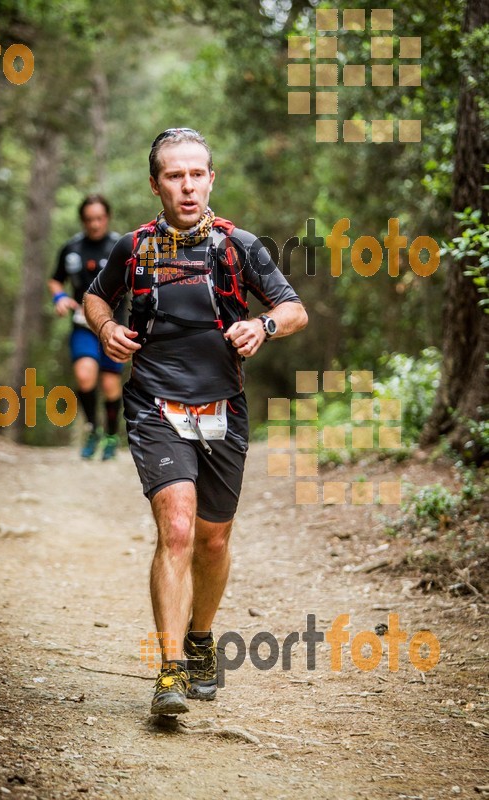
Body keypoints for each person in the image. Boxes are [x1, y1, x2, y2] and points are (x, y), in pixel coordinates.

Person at [83, 128, 308, 715]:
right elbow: (96, 297)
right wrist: (106, 329)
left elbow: (293, 308)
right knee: (177, 530)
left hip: (223, 408)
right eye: (174, 175)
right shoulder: (131, 249)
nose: (187, 185)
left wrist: (264, 327)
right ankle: (170, 670)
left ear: (211, 178)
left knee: (212, 539)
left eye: (197, 174)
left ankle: (201, 638)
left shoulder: (240, 247)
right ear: (156, 183)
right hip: (155, 404)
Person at [49, 195, 125, 460]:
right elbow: (56, 280)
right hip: (82, 324)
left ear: (107, 218)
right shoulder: (71, 248)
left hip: (115, 326)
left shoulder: (120, 246)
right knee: (84, 376)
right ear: (83, 220)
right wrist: (59, 298)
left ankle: (112, 435)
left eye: (99, 218)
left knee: (110, 382)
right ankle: (93, 429)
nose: (95, 224)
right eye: (89, 219)